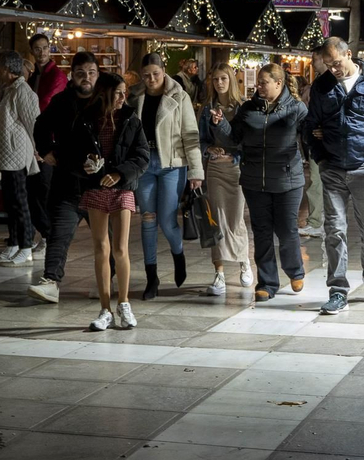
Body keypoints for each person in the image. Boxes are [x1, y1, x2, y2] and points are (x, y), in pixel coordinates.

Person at [303, 37, 364, 315]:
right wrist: (320, 157)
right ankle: (337, 290)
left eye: (337, 63)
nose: (333, 69)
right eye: (328, 65)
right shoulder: (322, 86)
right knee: (334, 231)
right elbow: (310, 126)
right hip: (332, 168)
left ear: (349, 54)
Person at [213, 63, 310, 301]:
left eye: (264, 82)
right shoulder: (248, 109)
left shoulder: (296, 108)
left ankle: (295, 271)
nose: (259, 86)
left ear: (279, 83)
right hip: (255, 181)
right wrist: (221, 124)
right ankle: (266, 282)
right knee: (262, 232)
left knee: (287, 230)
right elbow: (233, 139)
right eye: (258, 82)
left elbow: (309, 138)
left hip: (288, 180)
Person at [65, 74, 148, 331]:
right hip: (95, 187)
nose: (124, 97)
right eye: (118, 93)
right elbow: (72, 156)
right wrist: (85, 166)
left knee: (120, 249)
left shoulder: (132, 119)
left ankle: (124, 302)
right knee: (101, 247)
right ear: (105, 93)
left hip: (122, 187)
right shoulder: (85, 120)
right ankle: (105, 309)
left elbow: (142, 155)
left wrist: (121, 173)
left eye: (125, 92)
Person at [27, 52, 103, 303]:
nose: (86, 78)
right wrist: (46, 150)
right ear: (73, 75)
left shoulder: (106, 101)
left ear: (98, 74)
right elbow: (40, 126)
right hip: (67, 180)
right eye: (81, 73)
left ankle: (107, 279)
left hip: (99, 184)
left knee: (105, 239)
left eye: (91, 72)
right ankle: (51, 280)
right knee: (59, 234)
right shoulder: (61, 101)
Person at [130, 52, 204, 299]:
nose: (152, 79)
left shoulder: (179, 96)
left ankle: (178, 252)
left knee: (167, 220)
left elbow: (190, 134)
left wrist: (196, 171)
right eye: (147, 75)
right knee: (148, 220)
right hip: (144, 164)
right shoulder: (135, 96)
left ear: (164, 72)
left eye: (156, 74)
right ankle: (152, 277)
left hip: (172, 163)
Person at [196, 62, 253, 294]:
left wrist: (234, 153)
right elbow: (199, 140)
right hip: (216, 170)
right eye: (216, 79)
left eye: (224, 79)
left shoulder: (242, 108)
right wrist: (209, 149)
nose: (219, 83)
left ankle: (244, 262)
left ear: (231, 80)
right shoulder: (207, 108)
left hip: (236, 169)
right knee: (216, 220)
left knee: (236, 218)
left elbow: (246, 141)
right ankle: (218, 273)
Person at [0, 49, 41, 265]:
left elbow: (34, 123)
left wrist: (39, 149)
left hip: (17, 155)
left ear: (6, 68)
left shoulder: (23, 91)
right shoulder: (9, 90)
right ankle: (13, 243)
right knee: (10, 203)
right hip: (7, 155)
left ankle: (26, 246)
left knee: (20, 202)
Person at [296, 49, 329, 237]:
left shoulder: (322, 85)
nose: (312, 63)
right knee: (319, 180)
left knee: (317, 181)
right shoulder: (319, 84)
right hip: (317, 139)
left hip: (321, 140)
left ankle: (317, 221)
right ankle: (318, 220)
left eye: (315, 60)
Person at [30, 33, 67, 112]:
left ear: (49, 49)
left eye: (45, 48)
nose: (42, 52)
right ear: (31, 51)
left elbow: (47, 103)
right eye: (37, 49)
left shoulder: (57, 76)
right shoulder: (34, 76)